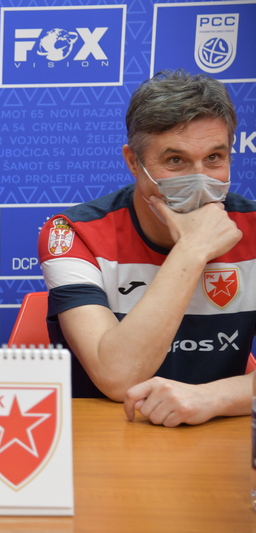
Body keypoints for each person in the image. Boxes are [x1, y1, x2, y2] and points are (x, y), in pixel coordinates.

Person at [37, 69, 255, 427]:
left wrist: (213, 397)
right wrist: (192, 250)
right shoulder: (74, 233)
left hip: (216, 435)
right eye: (175, 160)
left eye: (214, 157)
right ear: (133, 162)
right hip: (104, 436)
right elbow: (118, 376)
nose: (199, 179)